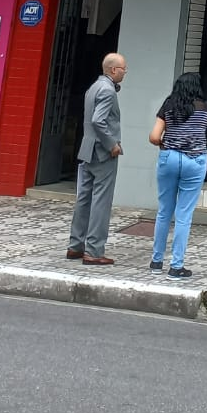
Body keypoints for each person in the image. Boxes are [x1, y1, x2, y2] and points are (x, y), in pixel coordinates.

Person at [148, 73, 207, 278]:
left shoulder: (169, 105)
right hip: (195, 161)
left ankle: (156, 261)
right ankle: (176, 266)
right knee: (184, 214)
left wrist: (164, 145)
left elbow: (153, 136)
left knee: (164, 211)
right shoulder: (205, 107)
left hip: (169, 158)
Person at [67, 53, 126, 266]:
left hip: (87, 149)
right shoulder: (108, 90)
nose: (125, 72)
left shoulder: (93, 87)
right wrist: (113, 144)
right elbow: (99, 121)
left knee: (84, 198)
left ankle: (76, 245)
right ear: (113, 70)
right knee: (101, 201)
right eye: (123, 69)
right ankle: (93, 250)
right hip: (102, 152)